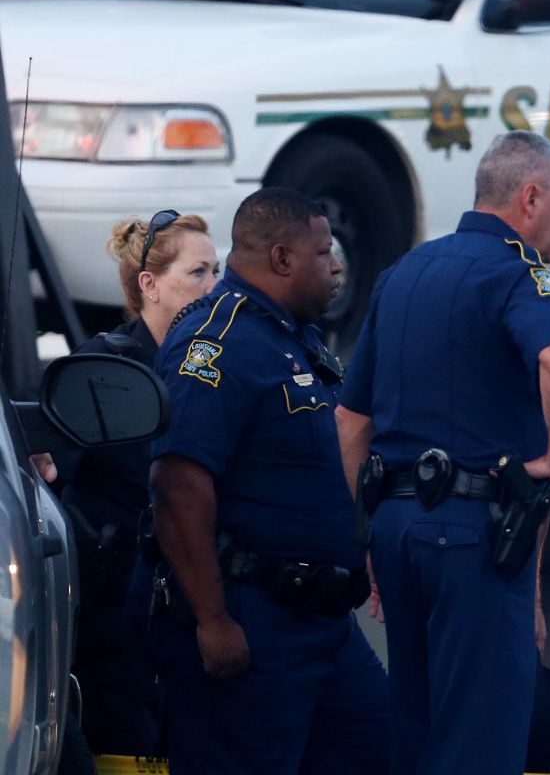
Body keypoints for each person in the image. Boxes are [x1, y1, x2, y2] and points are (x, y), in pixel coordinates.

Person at [335, 130, 550, 775]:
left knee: (416, 726)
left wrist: (369, 531)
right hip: (474, 535)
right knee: (480, 735)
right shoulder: (520, 271)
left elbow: (350, 418)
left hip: (396, 528)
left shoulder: (404, 270)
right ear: (530, 198)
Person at [148, 187, 389, 775]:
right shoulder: (218, 339)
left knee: (383, 750)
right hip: (254, 622)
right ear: (281, 258)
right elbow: (177, 482)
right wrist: (213, 620)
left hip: (325, 624)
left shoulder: (290, 334)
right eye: (323, 252)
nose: (337, 266)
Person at [61, 209, 219, 756]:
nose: (214, 287)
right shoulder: (101, 369)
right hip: (121, 614)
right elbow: (52, 481)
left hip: (200, 599)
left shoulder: (215, 366)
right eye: (198, 273)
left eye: (217, 272)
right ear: (149, 286)